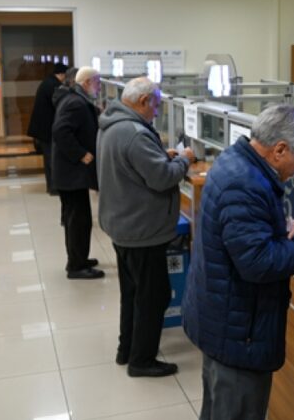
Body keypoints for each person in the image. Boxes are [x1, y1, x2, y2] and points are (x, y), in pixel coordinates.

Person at [182, 104, 294, 420]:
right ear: (279, 150)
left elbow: (243, 242)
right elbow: (259, 263)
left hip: (223, 321)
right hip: (239, 332)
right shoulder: (245, 183)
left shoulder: (236, 162)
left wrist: (275, 231)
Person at [97, 77, 195, 377]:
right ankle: (142, 360)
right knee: (154, 296)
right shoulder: (135, 133)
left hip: (123, 225)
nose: (157, 111)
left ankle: (126, 349)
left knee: (132, 293)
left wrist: (160, 156)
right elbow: (162, 178)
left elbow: (132, 165)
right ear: (143, 102)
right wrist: (185, 161)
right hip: (142, 231)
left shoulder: (113, 125)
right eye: (156, 105)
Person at [52, 67, 103, 280]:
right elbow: (60, 131)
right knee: (77, 220)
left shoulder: (76, 100)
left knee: (78, 219)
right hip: (72, 174)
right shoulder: (75, 103)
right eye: (97, 83)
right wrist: (81, 154)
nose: (99, 88)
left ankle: (79, 258)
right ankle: (76, 266)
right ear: (87, 82)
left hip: (71, 174)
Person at [27, 62, 67, 194]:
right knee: (51, 158)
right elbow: (59, 106)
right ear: (61, 74)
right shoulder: (54, 85)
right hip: (46, 129)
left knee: (49, 157)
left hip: (42, 128)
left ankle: (51, 186)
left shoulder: (48, 82)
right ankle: (54, 188)